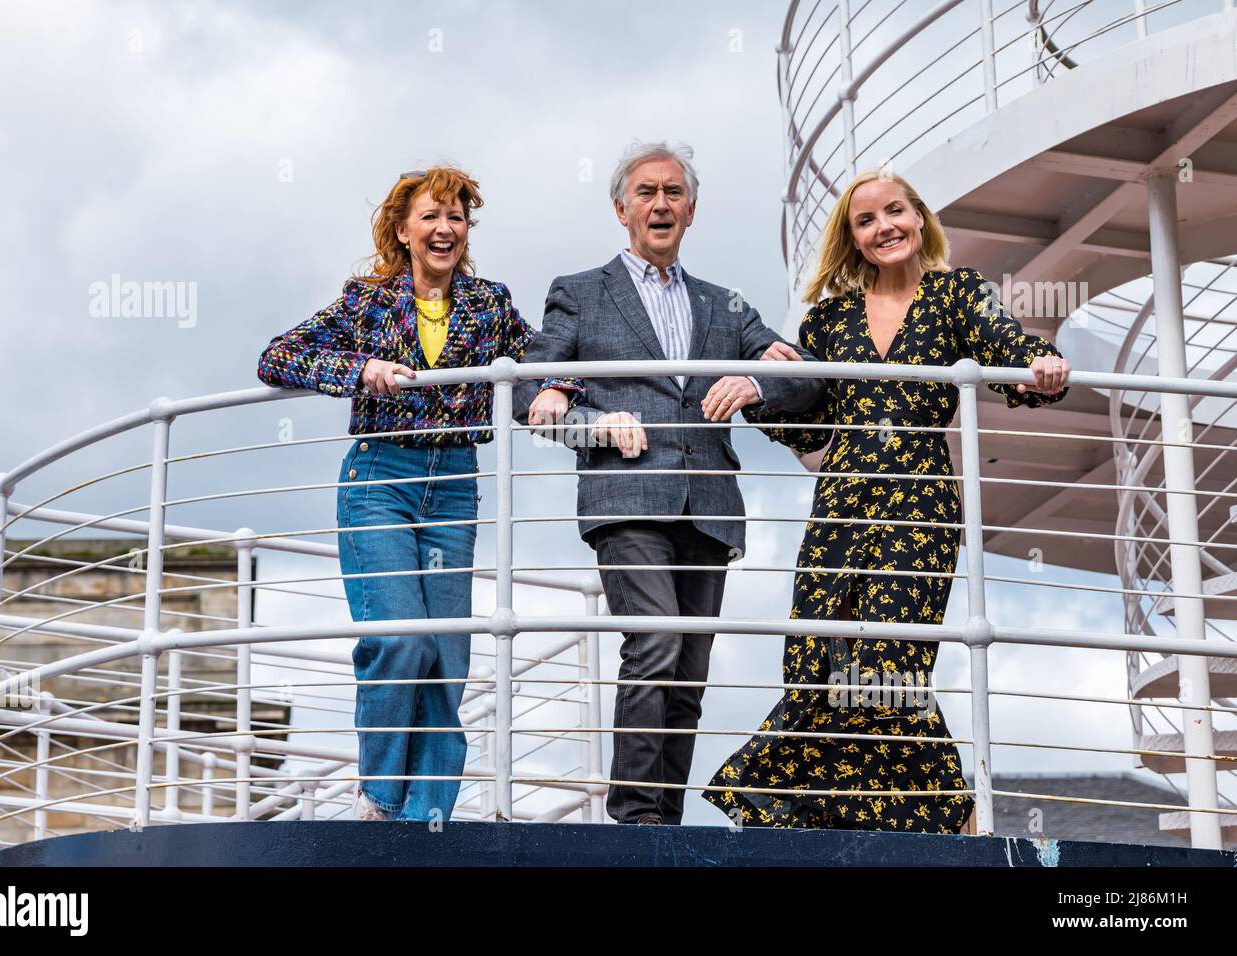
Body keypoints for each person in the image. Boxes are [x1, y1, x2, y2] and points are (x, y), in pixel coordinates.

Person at [703, 168, 1071, 834]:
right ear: (853, 239)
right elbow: (812, 425)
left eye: (894, 211)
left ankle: (944, 821)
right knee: (819, 663)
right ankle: (850, 824)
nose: (884, 228)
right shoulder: (830, 316)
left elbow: (1009, 348)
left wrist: (1041, 368)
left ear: (920, 217)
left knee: (886, 668)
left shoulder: (958, 294)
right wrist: (761, 390)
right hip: (840, 501)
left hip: (920, 505)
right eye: (866, 221)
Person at [514, 141, 826, 825]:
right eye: (647, 192)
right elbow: (530, 394)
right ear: (621, 208)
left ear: (692, 209)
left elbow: (806, 378)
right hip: (626, 499)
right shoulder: (581, 292)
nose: (661, 204)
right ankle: (633, 822)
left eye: (674, 192)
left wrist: (757, 382)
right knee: (653, 641)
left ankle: (667, 824)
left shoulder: (726, 304)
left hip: (709, 507)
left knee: (687, 670)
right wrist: (594, 423)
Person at [257, 166, 581, 822]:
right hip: (381, 482)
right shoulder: (366, 300)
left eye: (457, 217)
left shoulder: (490, 302)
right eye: (431, 217)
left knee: (447, 657)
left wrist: (557, 390)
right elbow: (277, 357)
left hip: (455, 486)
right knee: (402, 640)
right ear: (403, 231)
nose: (445, 229)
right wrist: (360, 369)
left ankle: (426, 817)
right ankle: (379, 799)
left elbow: (535, 367)